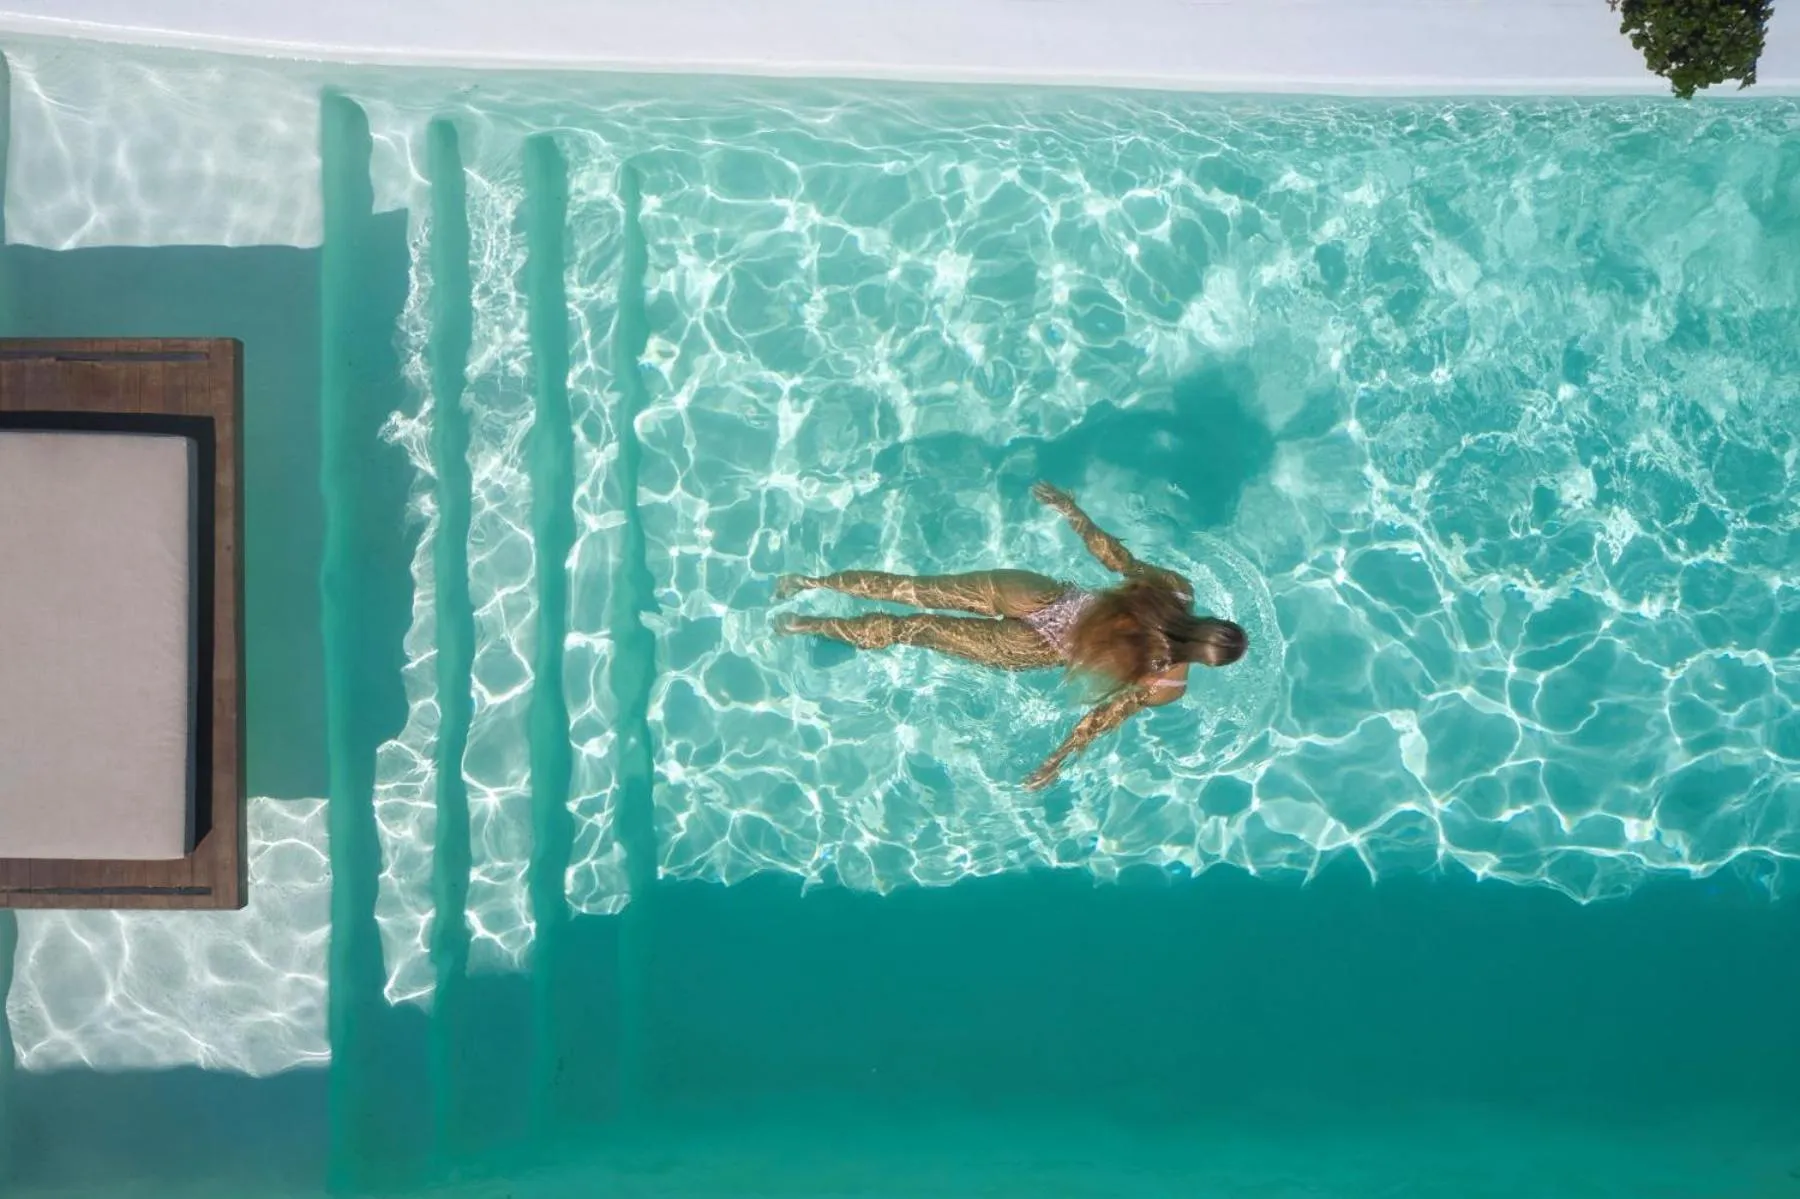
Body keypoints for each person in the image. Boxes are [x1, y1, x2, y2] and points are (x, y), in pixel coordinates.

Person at [776, 482, 1248, 789]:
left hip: (1040, 598)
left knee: (914, 590)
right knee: (909, 631)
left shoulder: (1177, 592)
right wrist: (1056, 761)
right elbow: (1102, 719)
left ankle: (809, 583)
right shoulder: (1166, 685)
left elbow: (1115, 559)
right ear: (1207, 660)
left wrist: (1072, 510)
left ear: (1212, 624)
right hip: (1035, 649)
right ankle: (805, 625)